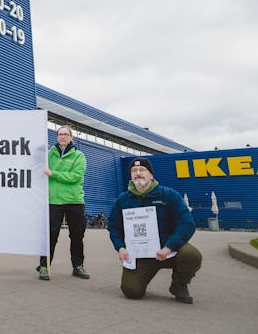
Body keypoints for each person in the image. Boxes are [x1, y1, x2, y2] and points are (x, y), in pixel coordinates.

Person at [107, 158, 202, 304]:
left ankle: (179, 284)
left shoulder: (168, 195)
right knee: (131, 291)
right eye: (134, 171)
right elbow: (113, 226)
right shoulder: (123, 200)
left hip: (169, 251)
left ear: (151, 175)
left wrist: (169, 247)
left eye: (142, 170)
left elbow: (187, 223)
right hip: (141, 254)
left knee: (191, 255)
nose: (138, 173)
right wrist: (120, 247)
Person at [37, 125, 89, 281]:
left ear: (71, 137)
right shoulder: (49, 154)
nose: (63, 137)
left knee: (77, 236)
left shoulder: (79, 156)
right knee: (50, 236)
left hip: (74, 201)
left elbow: (75, 176)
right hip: (53, 201)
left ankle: (78, 266)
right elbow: (35, 163)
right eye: (60, 134)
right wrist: (40, 151)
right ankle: (44, 266)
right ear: (57, 137)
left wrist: (53, 174)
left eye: (66, 134)